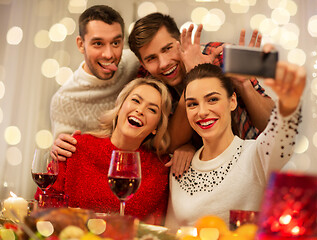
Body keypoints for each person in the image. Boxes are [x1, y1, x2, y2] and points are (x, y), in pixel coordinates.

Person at [165, 60, 306, 230]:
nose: (202, 112)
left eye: (212, 100)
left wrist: (289, 99)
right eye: (192, 104)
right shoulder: (180, 167)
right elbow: (170, 233)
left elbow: (285, 134)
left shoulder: (255, 154)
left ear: (232, 102)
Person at [128, 13, 275, 174]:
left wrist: (244, 84)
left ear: (181, 42)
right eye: (151, 58)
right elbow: (168, 143)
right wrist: (194, 76)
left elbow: (272, 124)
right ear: (143, 63)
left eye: (168, 49)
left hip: (253, 162)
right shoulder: (147, 80)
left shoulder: (220, 55)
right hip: (203, 171)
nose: (164, 63)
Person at [37, 78, 172, 225]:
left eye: (152, 109)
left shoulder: (160, 169)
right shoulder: (76, 147)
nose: (140, 110)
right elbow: (44, 204)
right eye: (136, 101)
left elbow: (155, 230)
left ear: (156, 127)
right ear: (120, 106)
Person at [50, 5, 140, 159]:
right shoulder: (64, 100)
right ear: (80, 44)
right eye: (98, 43)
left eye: (115, 43)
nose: (109, 54)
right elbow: (65, 159)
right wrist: (57, 148)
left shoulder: (135, 62)